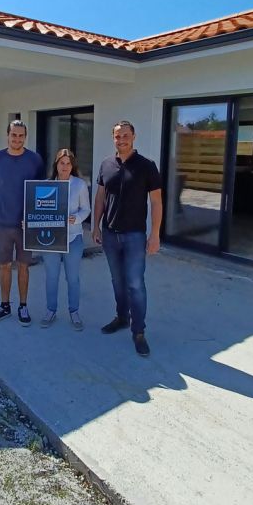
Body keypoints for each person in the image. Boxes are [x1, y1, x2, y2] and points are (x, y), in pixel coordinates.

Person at [92, 120, 162, 357]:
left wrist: (155, 234)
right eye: (117, 136)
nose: (121, 140)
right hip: (110, 234)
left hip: (134, 236)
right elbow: (100, 197)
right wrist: (96, 226)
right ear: (113, 138)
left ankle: (139, 331)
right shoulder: (106, 165)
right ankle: (122, 317)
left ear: (134, 136)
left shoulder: (147, 166)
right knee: (117, 281)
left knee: (135, 284)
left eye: (125, 136)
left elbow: (156, 202)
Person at [0, 120, 44, 326]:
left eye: (21, 136)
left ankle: (23, 306)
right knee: (4, 265)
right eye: (14, 135)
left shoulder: (35, 160)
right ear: (7, 135)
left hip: (25, 225)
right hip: (2, 224)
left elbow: (41, 191)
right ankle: (4, 305)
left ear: (25, 137)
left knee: (24, 266)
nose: (17, 139)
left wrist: (34, 218)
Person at [41, 149, 91, 332]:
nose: (65, 166)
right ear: (56, 165)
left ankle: (74, 311)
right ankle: (50, 310)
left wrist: (76, 218)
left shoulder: (79, 185)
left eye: (68, 163)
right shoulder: (46, 185)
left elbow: (86, 209)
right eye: (61, 163)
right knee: (52, 277)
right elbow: (38, 210)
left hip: (73, 238)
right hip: (51, 239)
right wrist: (30, 223)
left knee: (73, 278)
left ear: (72, 166)